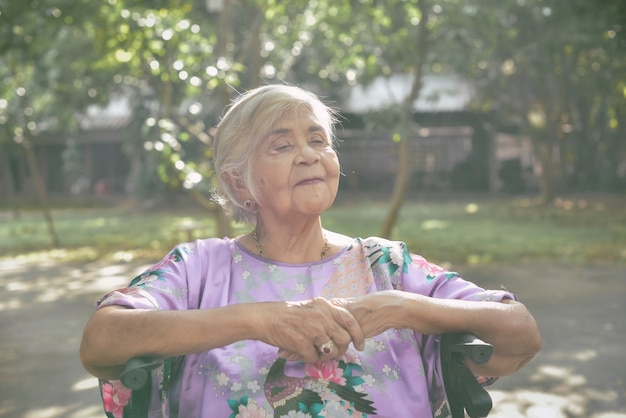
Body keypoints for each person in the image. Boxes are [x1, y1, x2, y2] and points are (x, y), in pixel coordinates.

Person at [80, 84, 541, 418]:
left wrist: (401, 307)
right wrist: (260, 319)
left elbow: (520, 331)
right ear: (239, 181)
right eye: (282, 145)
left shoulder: (385, 266)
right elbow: (102, 341)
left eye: (319, 140)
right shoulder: (201, 267)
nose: (309, 154)